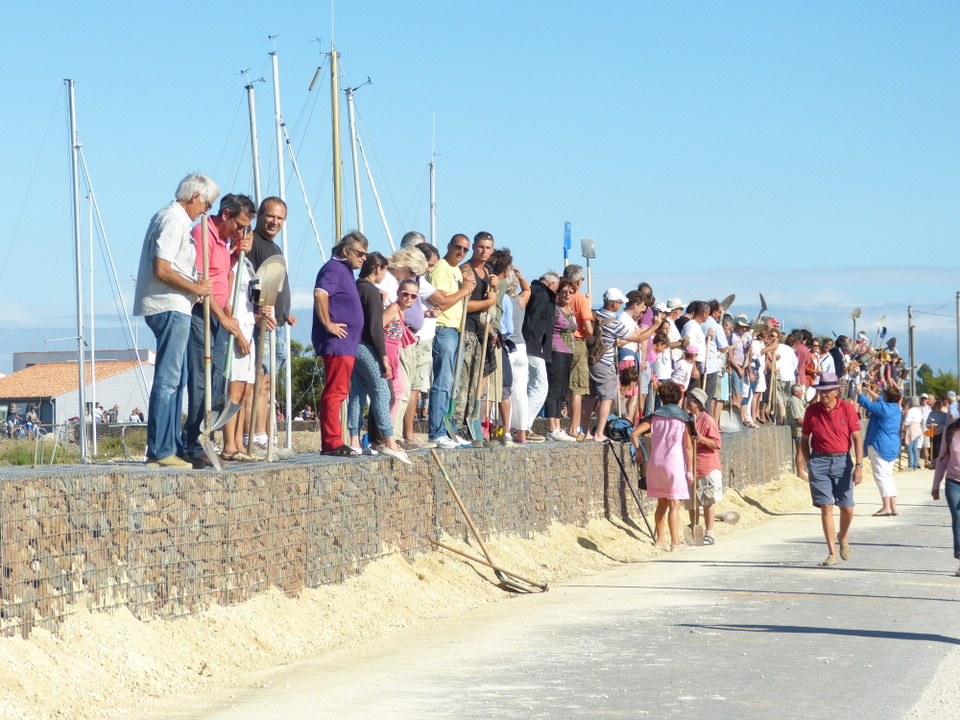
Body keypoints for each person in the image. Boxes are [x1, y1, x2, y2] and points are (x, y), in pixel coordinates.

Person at [133, 173, 217, 469]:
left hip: (176, 305)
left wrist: (194, 284)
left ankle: (172, 447)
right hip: (168, 305)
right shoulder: (174, 219)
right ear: (195, 196)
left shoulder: (174, 219)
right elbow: (162, 268)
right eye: (207, 204)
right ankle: (160, 450)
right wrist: (196, 287)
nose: (205, 211)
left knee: (176, 380)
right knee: (169, 380)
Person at [183, 193, 255, 466]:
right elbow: (202, 282)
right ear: (226, 214)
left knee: (215, 382)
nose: (241, 232)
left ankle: (202, 441)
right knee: (202, 383)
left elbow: (222, 274)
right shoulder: (203, 234)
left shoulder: (223, 240)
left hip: (219, 316)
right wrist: (223, 318)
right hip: (203, 315)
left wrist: (236, 252)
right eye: (240, 225)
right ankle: (192, 445)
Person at [345, 253, 411, 465]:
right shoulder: (371, 291)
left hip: (351, 345)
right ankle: (389, 441)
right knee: (382, 392)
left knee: (357, 393)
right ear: (378, 269)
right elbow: (375, 328)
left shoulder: (355, 286)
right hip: (366, 346)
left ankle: (354, 441)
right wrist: (383, 357)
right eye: (384, 270)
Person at [247, 197, 297, 456]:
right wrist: (259, 309)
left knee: (268, 384)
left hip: (276, 324)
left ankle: (265, 437)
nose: (274, 222)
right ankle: (256, 438)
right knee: (259, 381)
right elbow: (249, 279)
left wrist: (285, 313)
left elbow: (274, 284)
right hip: (261, 325)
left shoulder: (273, 246)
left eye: (280, 218)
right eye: (270, 216)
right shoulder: (253, 242)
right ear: (260, 215)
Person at [312, 231, 369, 455]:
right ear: (346, 251)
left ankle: (333, 441)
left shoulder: (344, 271)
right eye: (360, 253)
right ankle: (332, 442)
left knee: (340, 390)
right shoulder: (334, 268)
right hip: (338, 343)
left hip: (347, 344)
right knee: (335, 391)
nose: (364, 258)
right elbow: (320, 294)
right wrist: (329, 325)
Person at [800, 372, 864, 567]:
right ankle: (832, 553)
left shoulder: (847, 408)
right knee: (826, 506)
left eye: (828, 391)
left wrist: (859, 465)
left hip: (843, 462)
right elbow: (804, 439)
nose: (824, 394)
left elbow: (857, 438)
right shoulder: (811, 411)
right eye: (821, 391)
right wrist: (809, 462)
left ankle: (842, 536)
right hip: (819, 462)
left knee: (847, 508)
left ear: (838, 390)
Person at [426, 235, 477, 448]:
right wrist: (465, 290)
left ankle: (448, 430)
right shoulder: (442, 268)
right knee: (443, 382)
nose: (461, 252)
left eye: (465, 249)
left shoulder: (456, 270)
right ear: (449, 246)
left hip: (457, 329)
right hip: (444, 328)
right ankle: (436, 432)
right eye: (458, 247)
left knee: (453, 384)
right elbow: (440, 302)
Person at [582, 288, 652, 443]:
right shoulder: (613, 323)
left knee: (589, 398)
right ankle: (599, 433)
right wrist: (655, 326)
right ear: (613, 304)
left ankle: (585, 432)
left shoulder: (595, 315)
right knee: (606, 399)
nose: (621, 305)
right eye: (620, 302)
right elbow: (639, 338)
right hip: (605, 363)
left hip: (590, 361)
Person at [630, 381, 693, 550]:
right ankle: (675, 542)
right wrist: (690, 469)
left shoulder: (655, 416)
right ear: (679, 398)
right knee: (675, 504)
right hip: (674, 463)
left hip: (656, 463)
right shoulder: (683, 418)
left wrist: (639, 450)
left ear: (662, 398)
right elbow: (688, 446)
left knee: (662, 503)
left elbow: (634, 434)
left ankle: (660, 540)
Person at [521, 272, 559, 443]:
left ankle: (521, 425)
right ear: (551, 284)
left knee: (527, 387)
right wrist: (529, 339)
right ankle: (523, 426)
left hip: (528, 345)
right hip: (534, 347)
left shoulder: (532, 290)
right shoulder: (543, 295)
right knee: (540, 387)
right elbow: (533, 319)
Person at [683, 388, 723, 545]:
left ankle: (709, 533)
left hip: (707, 467)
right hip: (691, 467)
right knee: (692, 502)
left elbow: (716, 444)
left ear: (698, 403)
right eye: (687, 399)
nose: (687, 402)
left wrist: (700, 438)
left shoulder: (708, 421)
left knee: (708, 501)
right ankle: (694, 529)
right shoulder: (687, 420)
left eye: (690, 400)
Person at [858, 383, 902, 515]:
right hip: (893, 445)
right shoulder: (896, 408)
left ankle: (886, 507)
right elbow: (879, 399)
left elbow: (865, 402)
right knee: (888, 476)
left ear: (887, 397)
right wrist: (869, 390)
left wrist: (859, 390)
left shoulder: (882, 408)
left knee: (880, 476)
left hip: (880, 444)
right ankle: (893, 507)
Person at [561, 265, 594, 440]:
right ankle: (574, 428)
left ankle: (559, 426)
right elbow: (588, 328)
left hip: (559, 342)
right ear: (579, 281)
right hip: (577, 342)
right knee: (577, 388)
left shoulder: (558, 296)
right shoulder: (580, 298)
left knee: (562, 386)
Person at [545, 279, 577, 441]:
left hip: (568, 352)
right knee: (554, 388)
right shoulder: (555, 310)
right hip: (556, 351)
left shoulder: (571, 311)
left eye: (570, 292)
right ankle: (552, 426)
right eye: (564, 291)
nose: (567, 294)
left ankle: (558, 425)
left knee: (562, 390)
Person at [931, 418, 960, 576]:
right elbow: (942, 459)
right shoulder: (951, 431)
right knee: (958, 518)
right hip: (953, 482)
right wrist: (936, 485)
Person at [785, 383, 807, 480]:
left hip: (802, 429)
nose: (803, 393)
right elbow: (799, 419)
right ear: (795, 392)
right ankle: (800, 473)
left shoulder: (798, 400)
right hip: (798, 430)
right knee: (800, 452)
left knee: (803, 451)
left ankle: (802, 471)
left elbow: (808, 405)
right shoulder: (793, 401)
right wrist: (812, 426)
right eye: (801, 391)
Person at [902, 396, 924, 471]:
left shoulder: (911, 411)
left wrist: (904, 423)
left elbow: (907, 421)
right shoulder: (918, 410)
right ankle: (915, 464)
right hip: (918, 429)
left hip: (912, 429)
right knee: (915, 448)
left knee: (910, 448)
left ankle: (911, 465)